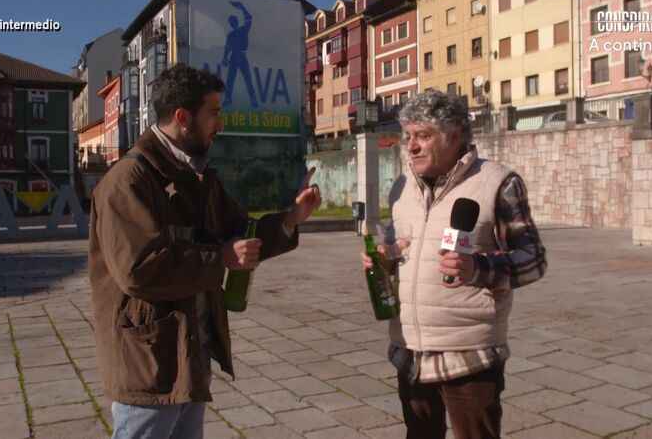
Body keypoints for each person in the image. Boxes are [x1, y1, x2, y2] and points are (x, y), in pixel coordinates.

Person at [89, 63, 321, 439]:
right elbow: (140, 269)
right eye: (213, 113)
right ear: (183, 117)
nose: (221, 123)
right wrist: (222, 258)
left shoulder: (198, 176)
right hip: (148, 364)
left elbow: (240, 231)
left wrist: (292, 218)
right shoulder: (128, 181)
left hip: (189, 355)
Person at [360, 89, 547, 438]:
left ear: (456, 135)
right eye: (408, 136)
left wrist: (478, 268)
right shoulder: (402, 188)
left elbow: (534, 260)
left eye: (424, 136)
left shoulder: (498, 183)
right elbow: (403, 247)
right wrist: (385, 259)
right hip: (410, 351)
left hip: (469, 353)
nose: (411, 146)